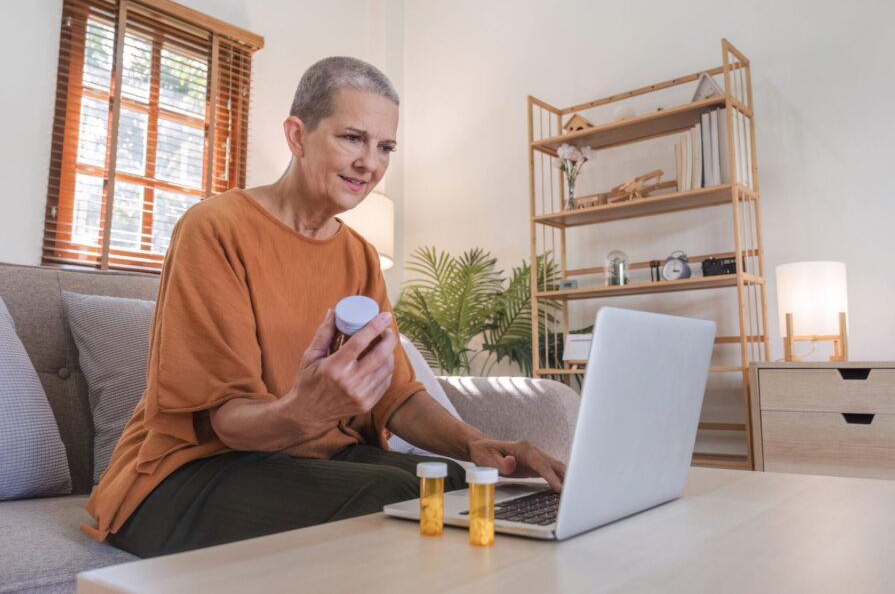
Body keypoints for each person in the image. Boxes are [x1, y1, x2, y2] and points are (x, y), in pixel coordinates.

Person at [84, 57, 565, 557]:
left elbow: (394, 395)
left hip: (305, 463)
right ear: (297, 136)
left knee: (448, 480)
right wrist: (303, 407)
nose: (371, 164)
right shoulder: (214, 229)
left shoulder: (358, 254)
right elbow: (226, 422)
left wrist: (475, 444)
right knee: (396, 496)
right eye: (352, 138)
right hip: (191, 471)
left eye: (385, 147)